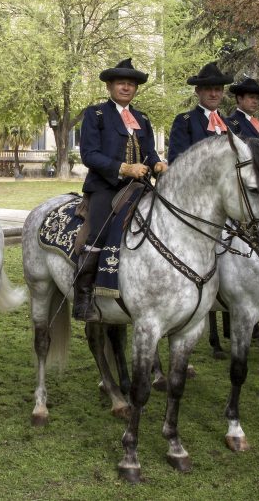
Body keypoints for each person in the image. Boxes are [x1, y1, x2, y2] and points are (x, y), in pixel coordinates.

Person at [73, 58, 167, 322]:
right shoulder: (96, 115)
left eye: (131, 84)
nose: (126, 88)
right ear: (110, 87)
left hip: (140, 186)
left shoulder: (142, 118)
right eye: (121, 83)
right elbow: (89, 155)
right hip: (105, 185)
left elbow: (148, 152)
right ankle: (84, 296)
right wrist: (124, 168)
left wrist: (157, 163)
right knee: (98, 234)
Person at [167, 62, 234, 163]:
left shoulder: (230, 125)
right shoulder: (185, 122)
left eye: (217, 89)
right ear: (197, 91)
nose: (213, 94)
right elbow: (176, 161)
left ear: (222, 91)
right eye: (208, 89)